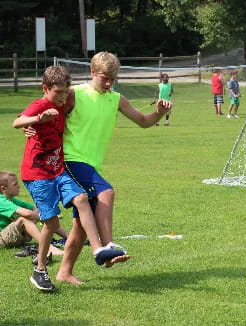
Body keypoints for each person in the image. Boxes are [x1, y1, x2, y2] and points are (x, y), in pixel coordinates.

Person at [24, 52, 172, 285]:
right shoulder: (75, 94)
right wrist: (30, 125)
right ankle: (107, 246)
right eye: (104, 77)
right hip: (71, 161)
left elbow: (143, 121)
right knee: (107, 192)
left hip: (91, 164)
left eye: (113, 78)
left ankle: (64, 272)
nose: (109, 83)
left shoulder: (117, 99)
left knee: (81, 226)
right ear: (92, 73)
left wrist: (159, 114)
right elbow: (45, 108)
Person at [13, 65, 129, 292]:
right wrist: (35, 120)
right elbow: (17, 122)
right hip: (38, 175)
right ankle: (40, 270)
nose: (63, 98)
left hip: (58, 170)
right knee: (52, 223)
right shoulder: (42, 105)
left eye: (66, 93)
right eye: (58, 93)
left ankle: (99, 250)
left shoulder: (63, 105)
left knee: (82, 199)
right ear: (45, 88)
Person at [0, 170, 65, 257]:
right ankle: (49, 248)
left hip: (9, 236)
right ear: (3, 188)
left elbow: (34, 209)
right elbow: (27, 214)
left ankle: (70, 238)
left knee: (43, 216)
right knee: (23, 220)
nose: (19, 186)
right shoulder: (1, 201)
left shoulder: (11, 198)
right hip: (1, 239)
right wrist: (46, 216)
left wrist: (47, 216)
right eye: (15, 184)